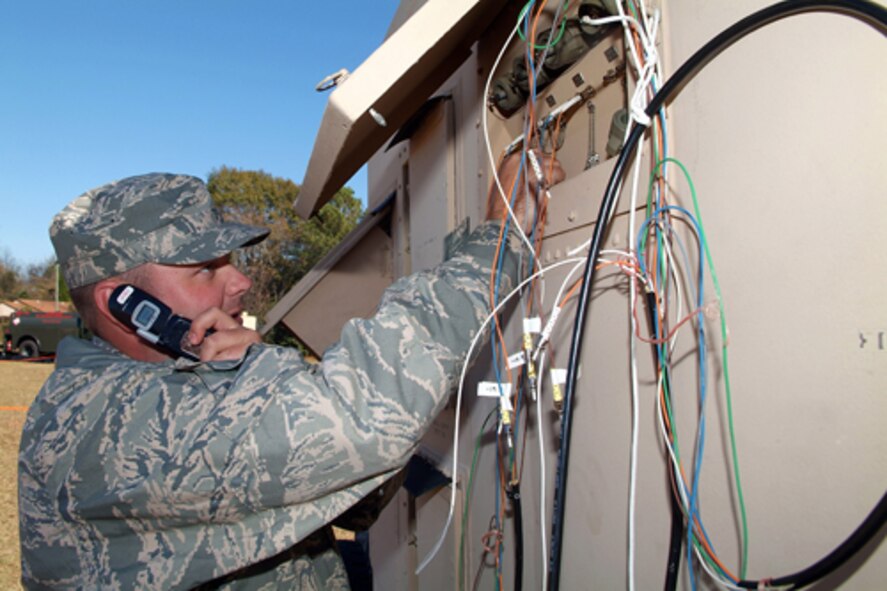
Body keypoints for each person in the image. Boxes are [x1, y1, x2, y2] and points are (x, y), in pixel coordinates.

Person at [18, 154, 563, 589]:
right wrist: (502, 234)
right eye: (207, 269)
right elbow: (363, 419)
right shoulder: (108, 423)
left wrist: (250, 369)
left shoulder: (177, 381)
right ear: (125, 305)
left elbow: (355, 495)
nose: (240, 284)